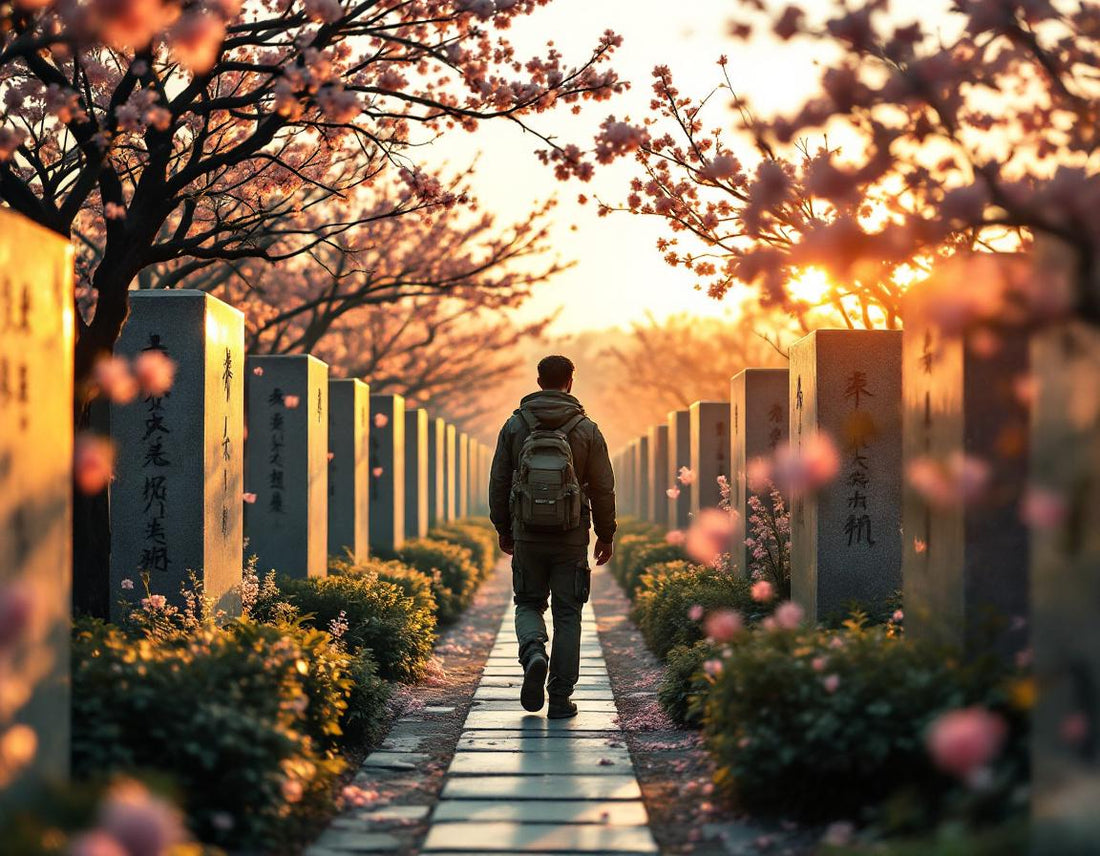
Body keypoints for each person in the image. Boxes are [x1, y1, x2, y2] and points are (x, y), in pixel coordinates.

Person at [489, 355, 616, 719]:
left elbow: (499, 481)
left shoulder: (515, 425)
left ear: (538, 380)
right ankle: (559, 698)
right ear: (570, 381)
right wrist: (605, 534)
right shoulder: (587, 429)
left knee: (528, 602)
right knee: (568, 614)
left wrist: (504, 529)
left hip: (527, 534)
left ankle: (533, 652)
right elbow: (603, 487)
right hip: (571, 536)